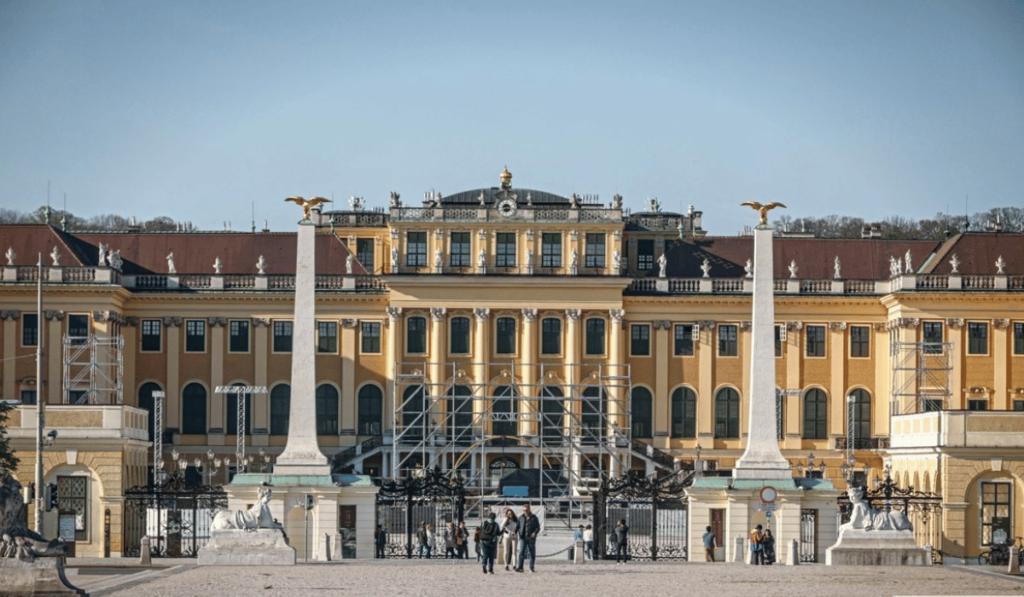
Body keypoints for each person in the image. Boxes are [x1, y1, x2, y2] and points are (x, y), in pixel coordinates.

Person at [516, 504, 541, 573]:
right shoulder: (521, 517)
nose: (525, 512)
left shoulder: (534, 517)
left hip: (531, 538)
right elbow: (517, 526)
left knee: (532, 553)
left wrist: (535, 533)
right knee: (521, 552)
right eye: (524, 510)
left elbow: (538, 527)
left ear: (529, 509)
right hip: (523, 537)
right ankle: (520, 568)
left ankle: (531, 568)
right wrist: (514, 532)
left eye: (526, 510)